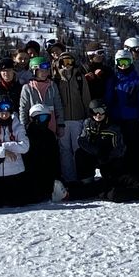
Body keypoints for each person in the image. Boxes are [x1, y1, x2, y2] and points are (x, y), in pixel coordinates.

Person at [52, 51, 93, 182]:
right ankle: (69, 179)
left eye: (70, 62)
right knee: (64, 151)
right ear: (59, 64)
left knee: (78, 149)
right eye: (64, 62)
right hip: (62, 120)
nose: (67, 65)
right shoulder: (56, 80)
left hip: (78, 118)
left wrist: (89, 116)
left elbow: (86, 98)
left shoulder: (79, 78)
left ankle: (81, 176)